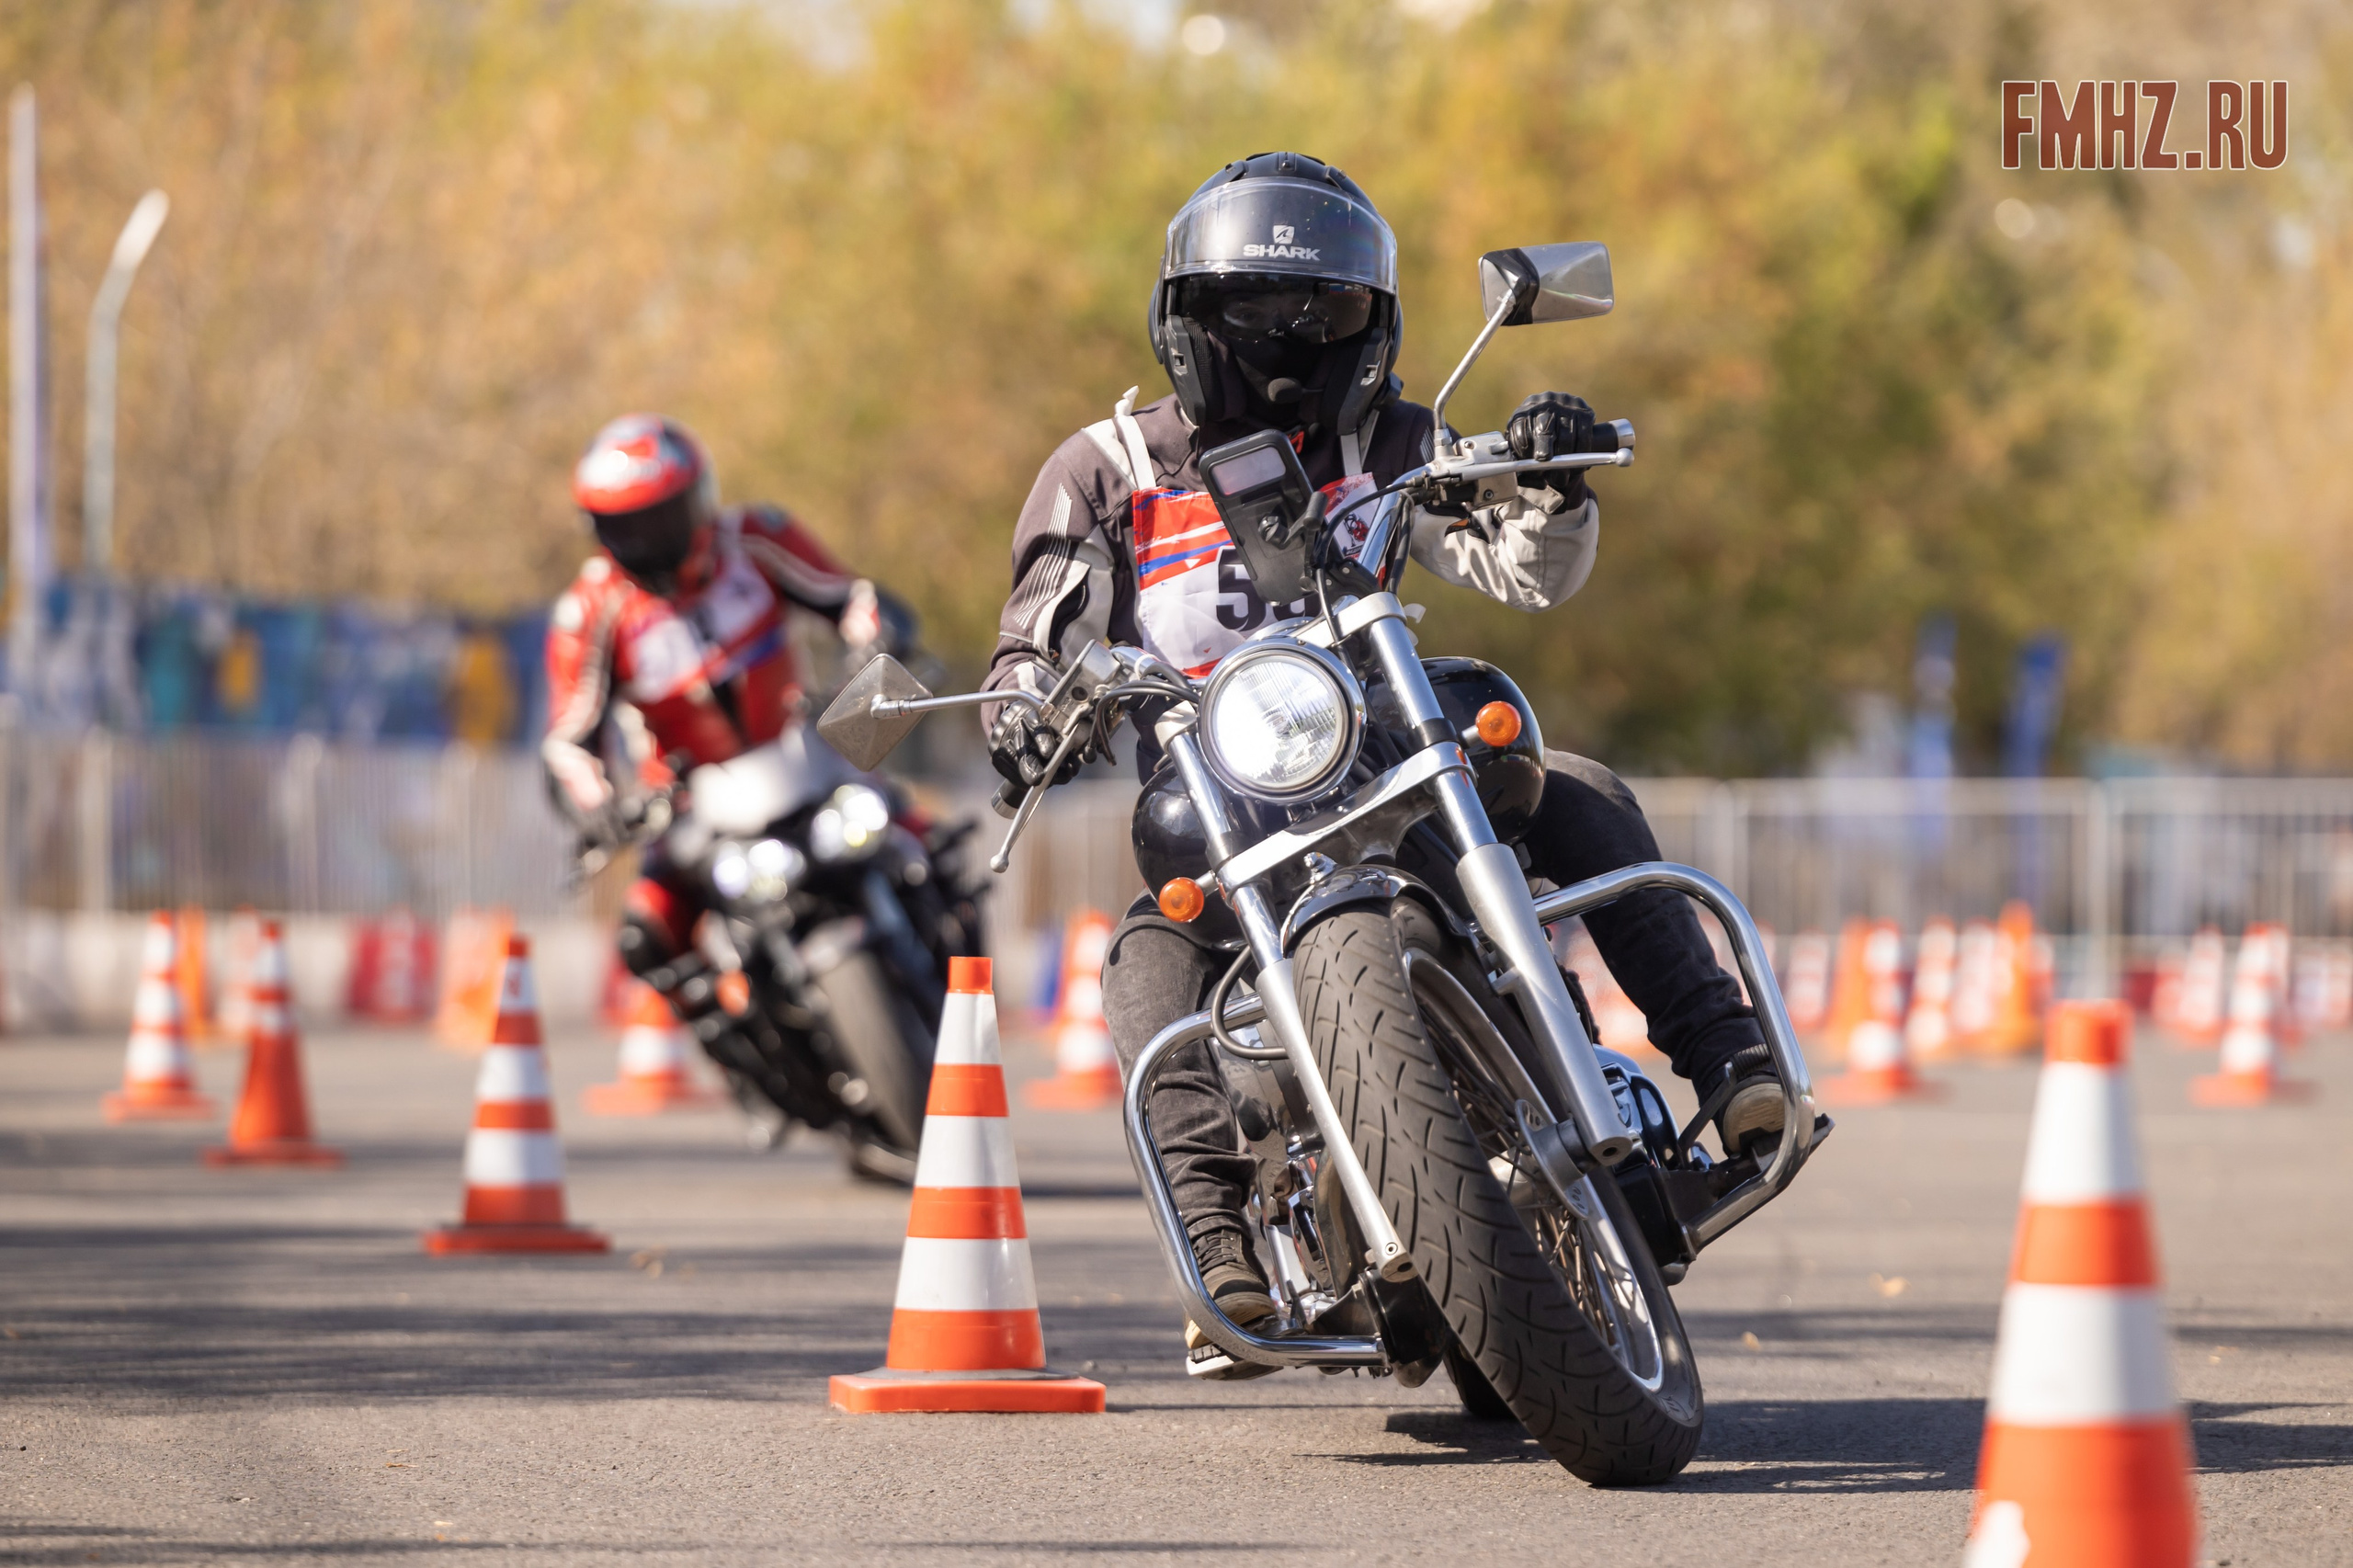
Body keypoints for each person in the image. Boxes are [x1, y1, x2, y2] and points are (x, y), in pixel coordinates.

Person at [980, 152, 1783, 1361]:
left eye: (1323, 313)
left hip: (1396, 767)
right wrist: (1029, 703)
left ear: (1373, 323)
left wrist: (1549, 478)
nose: (1289, 341)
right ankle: (1222, 1250)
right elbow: (1038, 621)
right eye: (1253, 313)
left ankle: (1731, 1063)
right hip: (1224, 804)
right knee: (1145, 959)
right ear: (1191, 320)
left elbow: (1522, 567)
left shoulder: (1393, 437)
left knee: (1574, 787)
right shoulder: (1112, 467)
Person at [542, 412, 889, 986]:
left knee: (922, 847)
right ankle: (749, 1061)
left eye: (662, 519)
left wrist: (869, 654)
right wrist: (604, 805)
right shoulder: (589, 612)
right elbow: (569, 744)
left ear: (699, 497)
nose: (649, 542)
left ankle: (966, 975)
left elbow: (851, 600)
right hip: (688, 811)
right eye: (627, 527)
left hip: (811, 760)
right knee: (647, 941)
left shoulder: (757, 537)